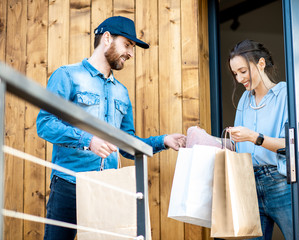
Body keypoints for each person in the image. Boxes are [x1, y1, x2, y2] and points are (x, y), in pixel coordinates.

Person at [36, 16, 186, 240]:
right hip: (69, 185)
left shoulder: (121, 92)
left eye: (132, 48)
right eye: (127, 45)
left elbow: (127, 144)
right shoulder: (67, 75)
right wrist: (88, 140)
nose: (131, 54)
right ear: (107, 38)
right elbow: (45, 124)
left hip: (107, 189)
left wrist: (163, 141)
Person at [227, 39, 292, 240]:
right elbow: (237, 147)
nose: (239, 79)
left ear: (261, 64)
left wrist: (254, 137)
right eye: (235, 74)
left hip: (280, 184)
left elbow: (290, 145)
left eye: (243, 71)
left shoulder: (286, 95)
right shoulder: (244, 101)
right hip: (249, 186)